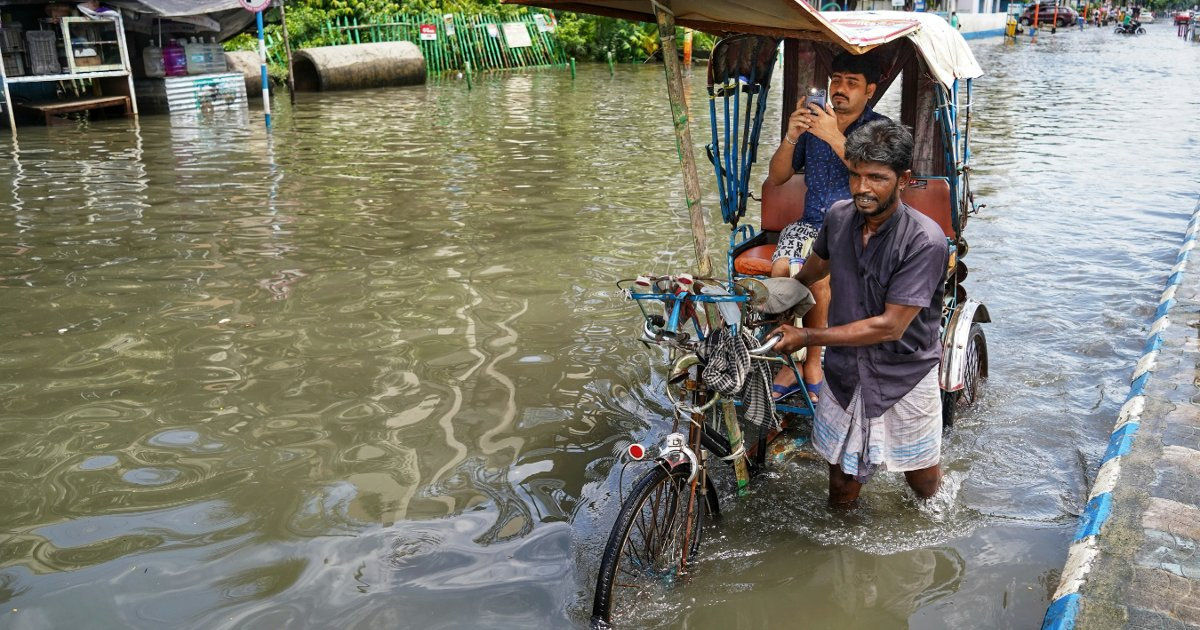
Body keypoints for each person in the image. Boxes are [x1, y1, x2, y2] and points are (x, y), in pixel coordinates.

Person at [769, 119, 948, 507]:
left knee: (922, 485)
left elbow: (889, 327)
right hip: (845, 371)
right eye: (855, 175)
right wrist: (772, 300)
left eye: (876, 178)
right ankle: (836, 559)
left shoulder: (925, 241)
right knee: (840, 487)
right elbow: (814, 271)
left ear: (903, 179)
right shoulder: (838, 216)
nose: (862, 188)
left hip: (903, 374)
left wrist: (807, 337)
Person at [764, 51, 890, 405]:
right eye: (837, 80)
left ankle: (814, 362)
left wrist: (833, 134)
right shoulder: (812, 125)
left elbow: (873, 174)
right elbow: (777, 178)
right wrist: (792, 135)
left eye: (852, 83)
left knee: (817, 272)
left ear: (870, 91)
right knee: (781, 269)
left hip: (859, 227)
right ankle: (789, 361)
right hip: (810, 224)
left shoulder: (879, 130)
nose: (840, 89)